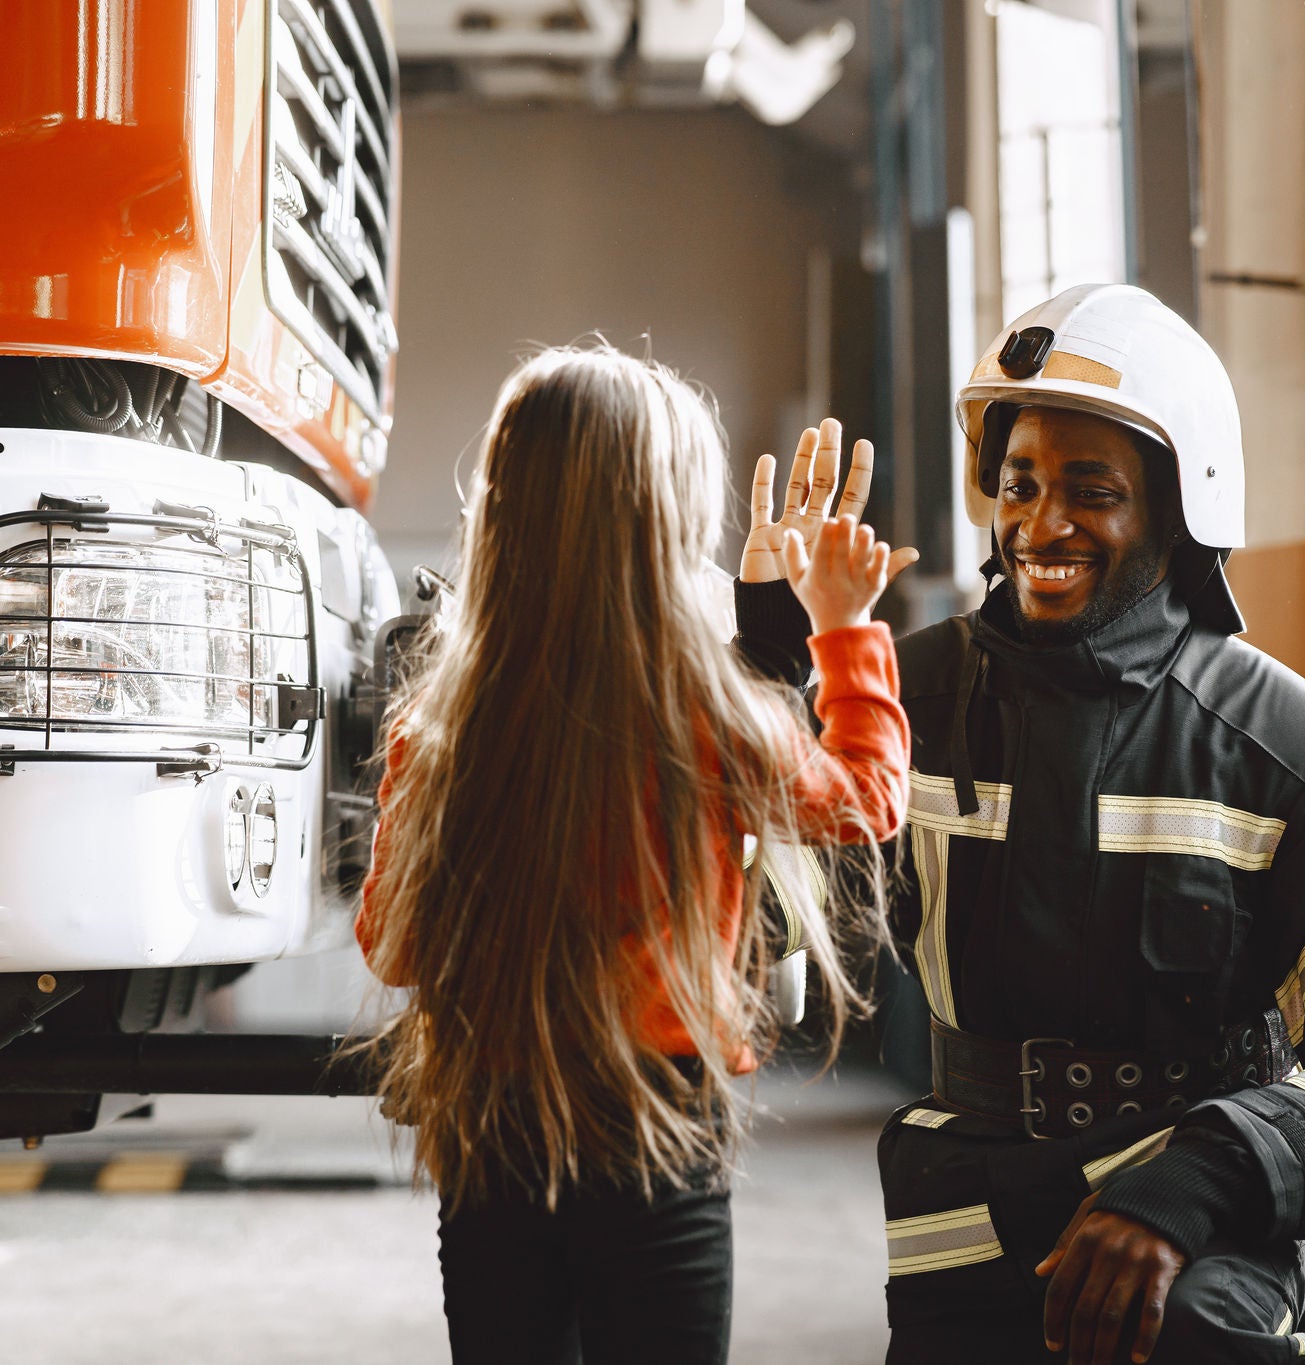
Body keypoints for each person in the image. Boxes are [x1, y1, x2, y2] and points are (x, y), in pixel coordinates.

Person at [735, 284, 1305, 1364]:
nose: (1040, 523)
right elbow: (765, 894)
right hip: (969, 1229)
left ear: (1180, 507)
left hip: (1212, 1239)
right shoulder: (911, 703)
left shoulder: (1293, 752)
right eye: (1018, 484)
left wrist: (1196, 1183)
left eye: (1090, 490)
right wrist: (779, 640)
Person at [356, 345, 911, 1365]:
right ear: (665, 529)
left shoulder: (437, 726)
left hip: (490, 1130)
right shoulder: (702, 715)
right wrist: (843, 632)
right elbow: (869, 800)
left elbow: (391, 948)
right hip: (659, 1125)